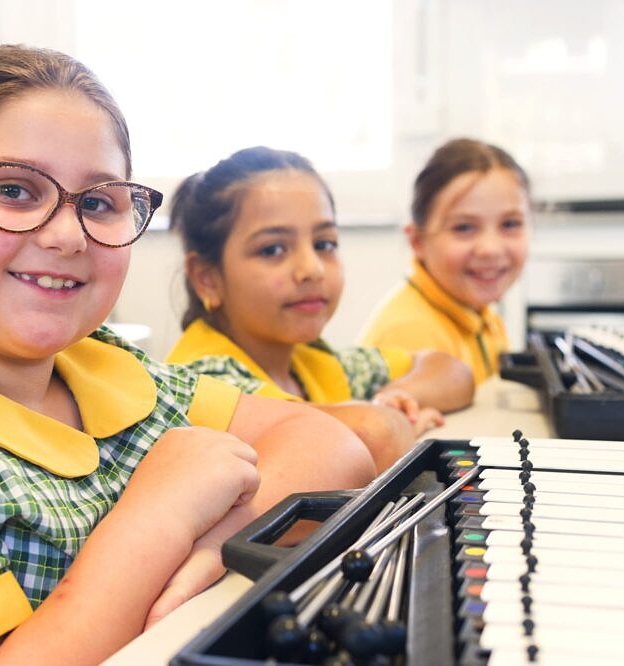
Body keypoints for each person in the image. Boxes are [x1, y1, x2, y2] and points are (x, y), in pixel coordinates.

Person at [0, 45, 377, 666]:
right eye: (13, 190)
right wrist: (158, 519)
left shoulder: (100, 364)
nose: (65, 234)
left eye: (98, 202)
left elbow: (328, 445)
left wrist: (212, 549)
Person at [166, 146, 475, 473]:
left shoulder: (308, 359)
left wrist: (395, 398)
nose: (311, 269)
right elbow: (372, 434)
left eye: (324, 244)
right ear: (207, 278)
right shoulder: (205, 375)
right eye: (272, 249)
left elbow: (451, 370)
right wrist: (397, 421)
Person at [360, 138, 532, 384]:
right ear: (417, 241)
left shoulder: (483, 315)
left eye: (510, 224)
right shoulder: (410, 334)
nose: (490, 249)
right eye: (464, 228)